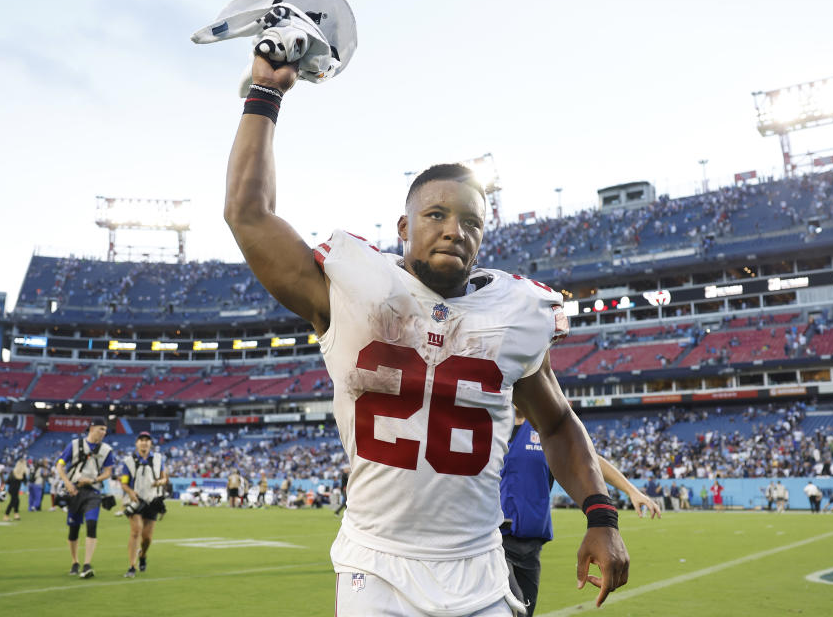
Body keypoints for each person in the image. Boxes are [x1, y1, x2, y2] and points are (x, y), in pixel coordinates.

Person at [223, 53, 630, 615]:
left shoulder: (514, 312)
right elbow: (247, 214)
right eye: (436, 214)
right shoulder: (353, 290)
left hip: (481, 565)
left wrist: (601, 515)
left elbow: (557, 423)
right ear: (403, 227)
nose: (454, 230)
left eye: (471, 222)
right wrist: (266, 94)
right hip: (376, 563)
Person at [500, 408, 656, 616]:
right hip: (496, 542)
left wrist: (631, 490)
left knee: (526, 612)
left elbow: (588, 458)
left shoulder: (545, 430)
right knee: (512, 610)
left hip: (531, 546)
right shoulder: (492, 425)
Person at [56, 417, 115, 579]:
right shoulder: (74, 445)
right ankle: (75, 562)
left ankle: (87, 564)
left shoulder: (106, 450)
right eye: (100, 429)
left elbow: (108, 472)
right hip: (74, 490)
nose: (103, 432)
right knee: (73, 529)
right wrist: (67, 483)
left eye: (105, 430)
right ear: (91, 428)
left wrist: (93, 480)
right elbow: (59, 464)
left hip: (93, 492)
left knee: (91, 524)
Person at [119, 431, 169, 578]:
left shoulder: (158, 459)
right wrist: (130, 492)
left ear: (150, 444)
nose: (144, 442)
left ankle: (143, 555)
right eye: (141, 439)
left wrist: (161, 481)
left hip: (152, 500)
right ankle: (132, 566)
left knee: (147, 538)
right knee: (136, 531)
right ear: (137, 443)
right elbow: (124, 483)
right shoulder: (129, 461)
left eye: (147, 440)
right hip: (136, 500)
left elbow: (164, 477)